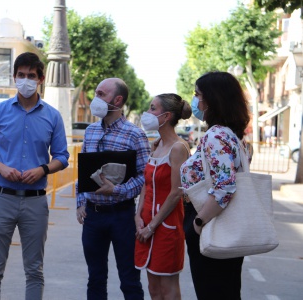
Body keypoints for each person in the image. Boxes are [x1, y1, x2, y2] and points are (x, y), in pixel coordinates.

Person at [0, 52, 69, 300]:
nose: (25, 80)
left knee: (34, 270)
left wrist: (43, 169)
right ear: (14, 77)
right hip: (1, 198)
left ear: (40, 79)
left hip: (35, 201)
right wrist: (1, 168)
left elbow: (62, 156)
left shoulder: (52, 116)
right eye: (21, 75)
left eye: (31, 76)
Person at [76, 78, 150, 300]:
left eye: (101, 94)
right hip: (93, 216)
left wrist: (118, 190)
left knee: (129, 280)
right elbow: (83, 170)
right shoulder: (90, 131)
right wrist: (80, 202)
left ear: (117, 100)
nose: (95, 98)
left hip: (122, 216)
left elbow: (144, 178)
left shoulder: (135, 134)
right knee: (95, 279)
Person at [180, 71, 252, 300]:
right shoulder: (234, 136)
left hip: (210, 219)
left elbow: (225, 187)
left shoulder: (216, 135)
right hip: (227, 222)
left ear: (212, 99)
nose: (195, 100)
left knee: (212, 291)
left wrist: (198, 223)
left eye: (197, 94)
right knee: (227, 291)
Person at [135, 94, 192, 299]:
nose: (147, 113)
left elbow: (176, 192)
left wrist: (152, 226)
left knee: (168, 288)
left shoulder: (179, 148)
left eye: (152, 108)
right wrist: (138, 216)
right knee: (153, 287)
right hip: (146, 224)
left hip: (166, 226)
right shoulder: (156, 145)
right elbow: (146, 184)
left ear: (166, 116)